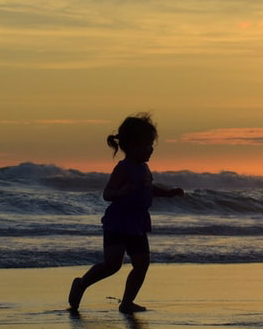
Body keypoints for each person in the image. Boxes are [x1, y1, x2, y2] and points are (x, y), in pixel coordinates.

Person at [69, 113, 184, 314]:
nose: (151, 149)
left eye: (152, 144)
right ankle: (81, 283)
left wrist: (168, 193)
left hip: (137, 222)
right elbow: (107, 193)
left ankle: (127, 302)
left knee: (142, 263)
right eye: (147, 144)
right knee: (112, 265)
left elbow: (149, 188)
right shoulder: (123, 168)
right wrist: (121, 192)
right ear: (131, 145)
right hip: (119, 221)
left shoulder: (144, 168)